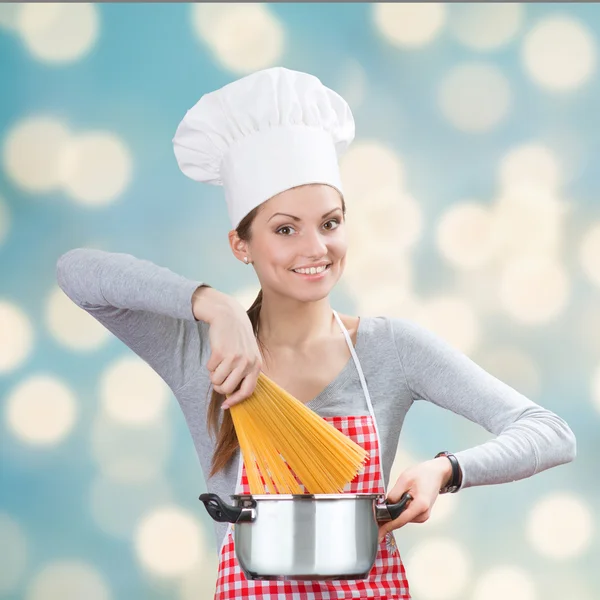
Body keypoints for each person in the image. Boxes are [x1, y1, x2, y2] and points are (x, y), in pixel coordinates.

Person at [56, 67, 577, 600]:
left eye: (330, 223)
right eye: (286, 229)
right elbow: (77, 271)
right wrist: (215, 306)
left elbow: (550, 432)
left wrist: (446, 470)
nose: (315, 248)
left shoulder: (390, 349)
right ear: (241, 244)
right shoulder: (199, 349)